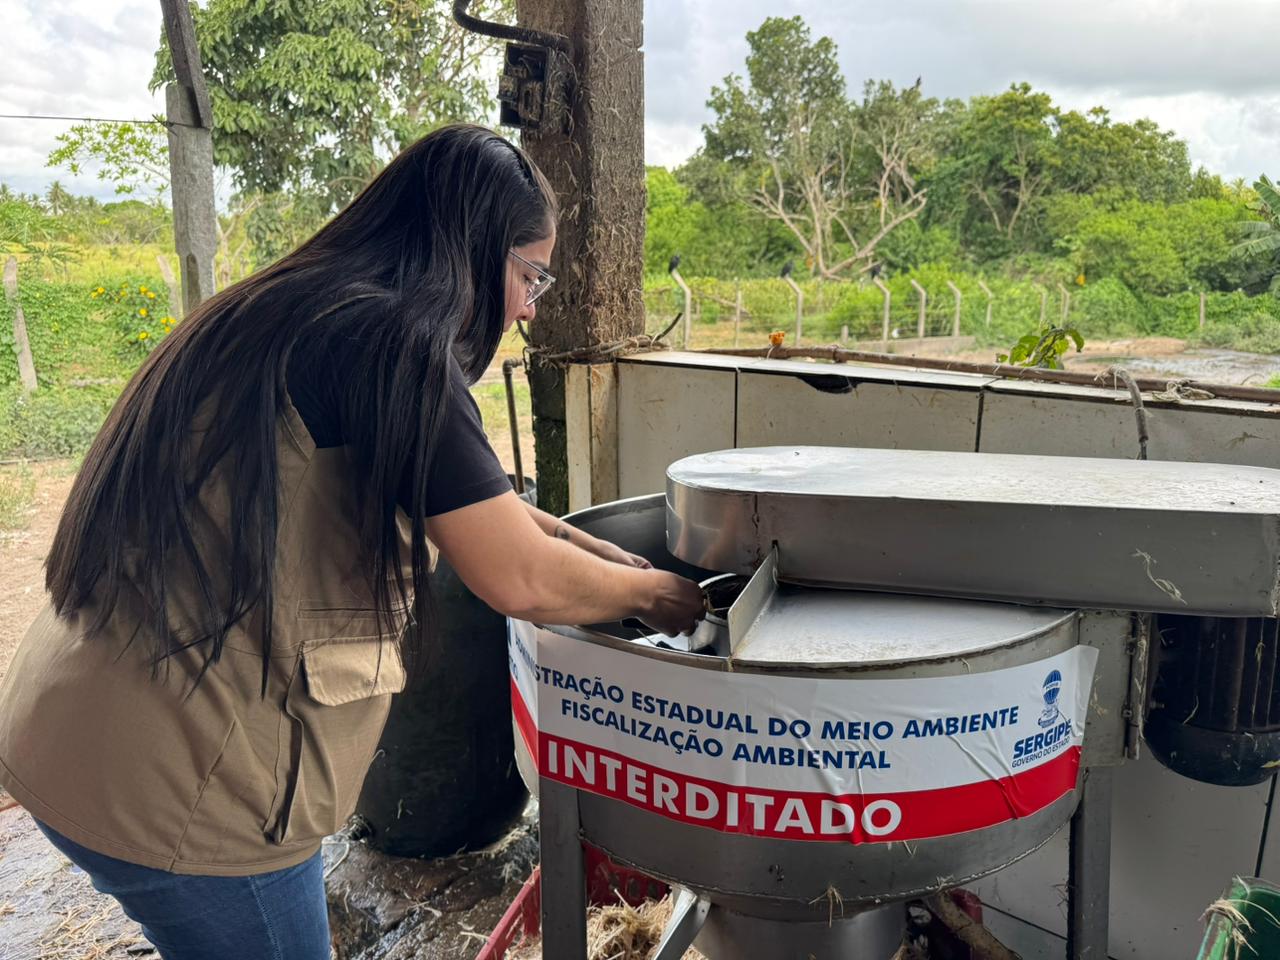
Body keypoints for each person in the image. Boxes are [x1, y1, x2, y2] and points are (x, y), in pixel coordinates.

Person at [0, 124, 705, 960]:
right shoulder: (393, 348)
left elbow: (477, 508)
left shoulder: (295, 306)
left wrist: (591, 553)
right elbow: (519, 576)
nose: (528, 306)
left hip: (68, 715)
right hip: (180, 780)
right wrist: (663, 595)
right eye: (530, 274)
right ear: (473, 250)